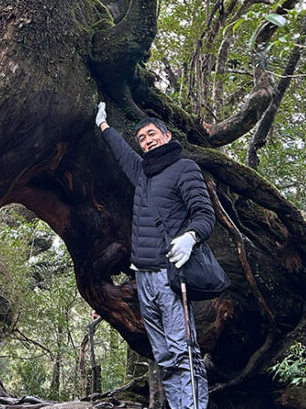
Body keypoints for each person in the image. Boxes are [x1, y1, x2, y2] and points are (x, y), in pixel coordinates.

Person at [95, 102, 214, 409]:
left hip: (171, 274)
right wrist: (104, 126)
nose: (147, 141)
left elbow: (203, 213)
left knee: (182, 349)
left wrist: (190, 237)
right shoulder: (144, 174)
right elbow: (123, 156)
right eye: (142, 139)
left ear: (166, 135)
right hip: (143, 277)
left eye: (151, 135)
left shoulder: (184, 168)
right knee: (163, 354)